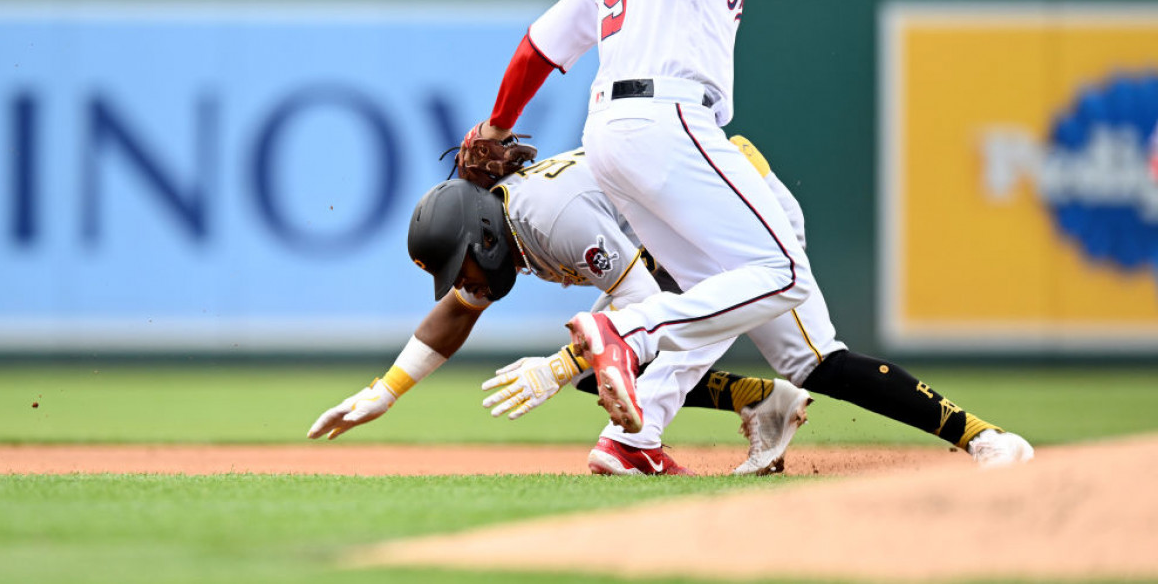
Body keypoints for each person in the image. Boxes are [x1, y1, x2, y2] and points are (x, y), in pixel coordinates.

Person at [458, 0, 903, 439]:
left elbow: (539, 47)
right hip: (666, 118)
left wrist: (499, 126)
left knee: (718, 290)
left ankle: (633, 437)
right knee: (785, 273)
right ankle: (623, 332)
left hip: (611, 133)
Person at [310, 140, 1034, 471]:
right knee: (806, 366)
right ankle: (763, 404)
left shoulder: (545, 215)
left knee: (811, 361)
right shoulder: (510, 225)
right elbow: (460, 312)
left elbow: (643, 305)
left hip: (744, 223)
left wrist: (561, 363)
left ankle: (985, 438)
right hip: (697, 247)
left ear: (482, 235)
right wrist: (385, 391)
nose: (461, 281)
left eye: (458, 263)